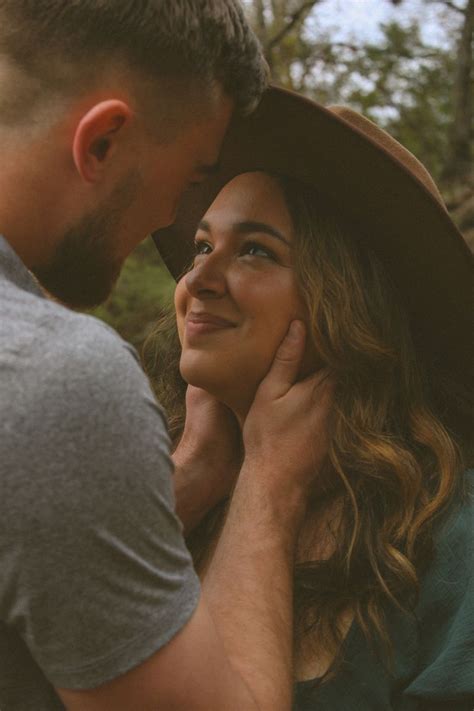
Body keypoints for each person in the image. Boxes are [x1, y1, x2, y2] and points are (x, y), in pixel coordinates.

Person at [0, 5, 335, 711]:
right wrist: (270, 484)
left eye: (253, 249)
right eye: (189, 180)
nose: (166, 226)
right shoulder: (52, 377)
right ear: (102, 142)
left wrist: (198, 473)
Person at [150, 86, 474, 710]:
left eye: (254, 250)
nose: (197, 281)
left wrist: (269, 484)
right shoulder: (163, 488)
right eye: (201, 246)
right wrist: (191, 475)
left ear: (352, 303)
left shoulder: (451, 535)